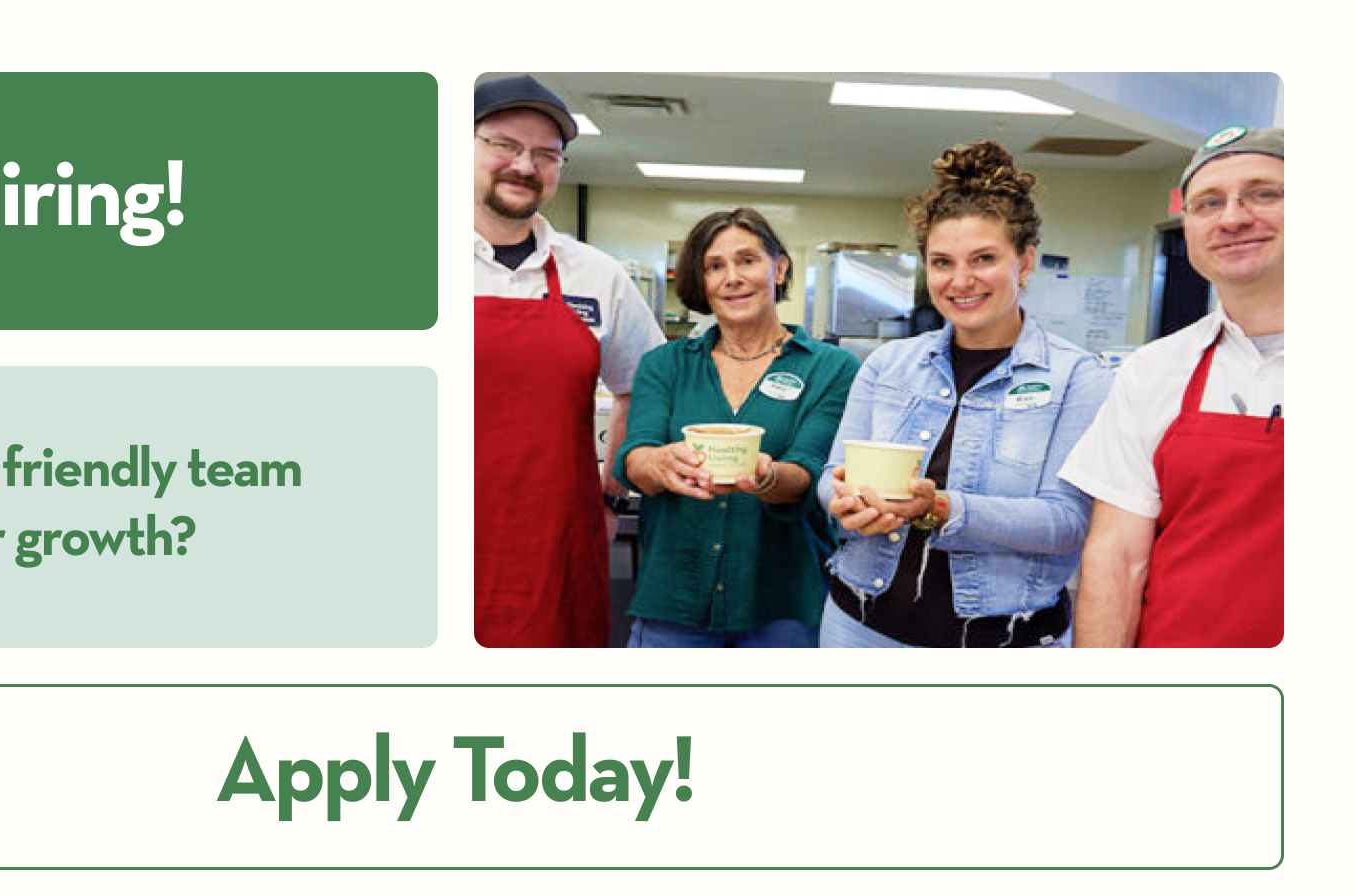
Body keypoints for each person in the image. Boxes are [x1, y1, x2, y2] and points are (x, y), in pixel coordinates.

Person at [817, 141, 1113, 648]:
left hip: (1003, 642)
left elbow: (1065, 521)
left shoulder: (1078, 378)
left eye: (984, 259)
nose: (960, 281)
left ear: (1025, 261)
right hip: (857, 629)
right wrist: (844, 503)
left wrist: (941, 508)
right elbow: (832, 475)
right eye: (942, 262)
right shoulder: (887, 365)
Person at [1062, 127, 1284, 648]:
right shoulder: (1153, 370)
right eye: (1208, 203)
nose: (1233, 218)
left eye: (1264, 193)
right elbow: (1118, 557)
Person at [472, 75, 664, 648]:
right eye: (504, 144)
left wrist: (611, 495)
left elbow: (646, 383)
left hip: (557, 544)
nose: (524, 165)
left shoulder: (595, 274)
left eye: (546, 154)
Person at [613, 208, 859, 647]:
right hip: (674, 601)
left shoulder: (831, 368)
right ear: (701, 280)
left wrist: (766, 477)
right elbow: (636, 457)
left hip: (783, 606)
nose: (732, 278)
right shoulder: (665, 365)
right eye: (714, 266)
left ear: (778, 268)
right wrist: (660, 463)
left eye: (747, 260)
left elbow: (808, 473)